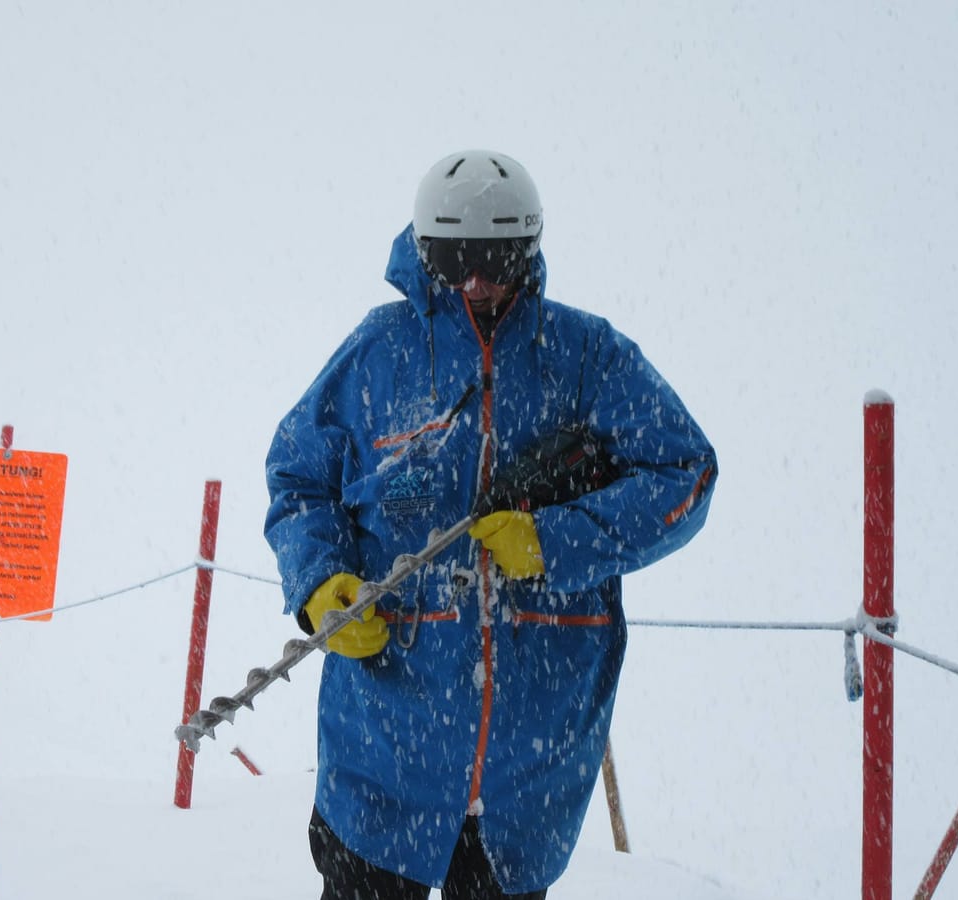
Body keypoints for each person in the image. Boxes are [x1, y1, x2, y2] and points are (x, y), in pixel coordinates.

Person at [264, 150, 717, 899]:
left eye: (497, 258)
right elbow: (298, 477)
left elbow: (686, 473)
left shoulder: (586, 358)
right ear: (421, 250)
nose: (476, 281)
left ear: (530, 249)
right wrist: (319, 584)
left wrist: (555, 541)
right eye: (453, 259)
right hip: (383, 762)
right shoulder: (377, 355)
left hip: (527, 779)